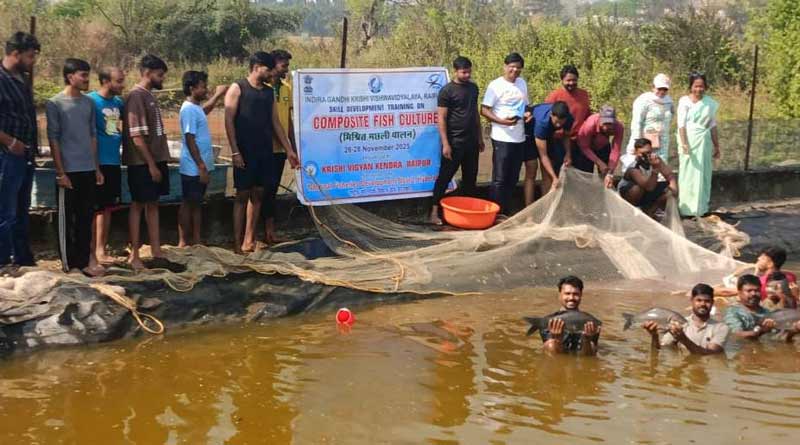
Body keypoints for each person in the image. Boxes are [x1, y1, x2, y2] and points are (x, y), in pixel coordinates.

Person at [225, 51, 295, 254]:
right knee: (242, 195)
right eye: (268, 68)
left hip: (264, 151)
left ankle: (249, 240)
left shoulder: (267, 92)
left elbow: (276, 123)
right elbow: (229, 120)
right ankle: (237, 245)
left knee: (258, 194)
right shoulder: (237, 88)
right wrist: (235, 151)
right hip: (245, 151)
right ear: (257, 67)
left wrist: (289, 150)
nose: (271, 72)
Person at [46, 58, 104, 276]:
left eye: (87, 75)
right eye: (83, 75)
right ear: (70, 77)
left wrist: (96, 168)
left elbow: (92, 136)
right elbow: (54, 139)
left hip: (87, 169)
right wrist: (61, 172)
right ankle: (69, 265)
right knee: (66, 219)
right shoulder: (55, 104)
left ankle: (84, 262)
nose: (87, 79)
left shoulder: (89, 103)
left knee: (85, 217)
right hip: (68, 171)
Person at [122, 55, 170, 270]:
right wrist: (150, 164)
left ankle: (156, 249)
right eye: (160, 75)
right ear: (148, 73)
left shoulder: (149, 95)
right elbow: (137, 137)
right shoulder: (136, 96)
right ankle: (135, 255)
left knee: (153, 203)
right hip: (142, 162)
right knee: (138, 205)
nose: (162, 79)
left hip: (156, 159)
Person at [251, 49, 300, 245]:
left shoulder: (286, 88)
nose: (286, 70)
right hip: (262, 148)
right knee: (257, 192)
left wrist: (292, 147)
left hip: (280, 150)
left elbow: (287, 120)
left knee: (271, 192)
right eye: (283, 66)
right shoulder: (260, 89)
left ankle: (270, 233)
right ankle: (252, 234)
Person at [0, 32, 39, 270]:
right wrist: (9, 141)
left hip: (25, 154)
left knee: (21, 210)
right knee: (5, 211)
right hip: (6, 155)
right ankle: (3, 262)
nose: (33, 61)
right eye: (30, 56)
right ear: (15, 54)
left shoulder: (22, 80)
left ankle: (23, 260)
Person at [429, 56, 484, 225]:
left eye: (469, 71)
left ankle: (467, 214)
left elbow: (475, 113)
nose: (467, 75)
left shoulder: (473, 88)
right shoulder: (447, 91)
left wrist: (480, 137)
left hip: (471, 142)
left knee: (470, 178)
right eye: (464, 72)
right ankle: (433, 212)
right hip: (454, 142)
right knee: (444, 177)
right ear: (455, 71)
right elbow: (441, 118)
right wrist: (445, 143)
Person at [177, 70, 227, 247]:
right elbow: (190, 139)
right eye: (203, 87)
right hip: (193, 167)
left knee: (197, 202)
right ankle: (183, 241)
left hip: (199, 165)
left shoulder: (195, 108)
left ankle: (196, 239)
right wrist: (201, 166)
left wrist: (218, 95)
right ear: (192, 88)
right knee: (188, 202)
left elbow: (204, 110)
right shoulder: (188, 110)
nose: (205, 90)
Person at [481, 53, 529, 215]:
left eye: (518, 68)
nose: (515, 70)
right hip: (502, 136)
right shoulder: (496, 85)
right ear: (505, 67)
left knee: (513, 177)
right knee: (499, 178)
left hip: (519, 136)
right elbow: (484, 110)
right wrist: (501, 121)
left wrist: (527, 114)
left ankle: (506, 211)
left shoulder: (522, 83)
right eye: (512, 67)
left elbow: (525, 106)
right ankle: (494, 212)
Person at [88, 67, 125, 265]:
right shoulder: (91, 101)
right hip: (99, 161)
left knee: (109, 207)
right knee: (97, 209)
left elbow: (116, 127)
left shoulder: (118, 103)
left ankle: (103, 248)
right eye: (118, 81)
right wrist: (95, 167)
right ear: (105, 81)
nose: (122, 85)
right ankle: (93, 250)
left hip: (114, 161)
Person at [539, 64, 591, 202]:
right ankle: (556, 205)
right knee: (558, 174)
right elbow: (547, 118)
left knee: (581, 174)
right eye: (568, 80)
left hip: (579, 140)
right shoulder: (555, 96)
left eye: (574, 80)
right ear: (562, 80)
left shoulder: (584, 95)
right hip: (558, 140)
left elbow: (587, 115)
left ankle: (579, 205)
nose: (571, 83)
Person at [677, 72, 720, 217]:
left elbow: (712, 125)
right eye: (696, 86)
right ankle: (686, 208)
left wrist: (717, 145)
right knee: (688, 173)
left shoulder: (710, 103)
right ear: (691, 87)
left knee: (703, 173)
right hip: (689, 140)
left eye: (701, 86)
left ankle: (701, 207)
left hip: (704, 141)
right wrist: (684, 143)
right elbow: (681, 124)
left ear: (705, 87)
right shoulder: (684, 101)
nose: (699, 89)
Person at [643, 283, 729, 355]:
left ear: (712, 303)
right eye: (698, 300)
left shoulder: (721, 328)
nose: (703, 304)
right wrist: (654, 336)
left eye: (707, 301)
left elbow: (711, 354)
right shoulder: (679, 323)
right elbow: (661, 350)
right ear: (691, 301)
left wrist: (683, 339)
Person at [622, 74, 674, 170]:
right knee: (643, 167)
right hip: (646, 140)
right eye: (659, 88)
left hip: (662, 141)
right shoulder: (644, 100)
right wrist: (637, 143)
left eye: (665, 89)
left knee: (661, 168)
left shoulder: (669, 101)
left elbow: (671, 116)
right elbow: (637, 122)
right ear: (653, 87)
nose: (662, 92)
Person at [618, 138, 678, 217]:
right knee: (638, 189)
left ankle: (651, 209)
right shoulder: (633, 168)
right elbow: (649, 187)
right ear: (636, 152)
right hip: (629, 193)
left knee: (670, 188)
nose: (645, 156)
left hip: (647, 189)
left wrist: (674, 189)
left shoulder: (655, 159)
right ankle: (633, 209)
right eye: (642, 153)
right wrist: (655, 169)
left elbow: (669, 175)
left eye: (648, 152)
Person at [541, 275, 600, 355]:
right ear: (560, 295)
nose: (571, 297)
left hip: (581, 353)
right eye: (567, 293)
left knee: (592, 346)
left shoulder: (590, 321)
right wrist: (557, 340)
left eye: (575, 294)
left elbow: (590, 356)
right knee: (550, 345)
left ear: (581, 295)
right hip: (560, 351)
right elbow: (553, 353)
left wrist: (587, 340)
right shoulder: (549, 321)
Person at [526, 101, 573, 199]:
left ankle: (545, 207)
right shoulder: (542, 123)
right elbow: (543, 155)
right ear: (551, 115)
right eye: (556, 122)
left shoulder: (569, 118)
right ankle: (528, 208)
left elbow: (566, 135)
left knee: (547, 173)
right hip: (529, 134)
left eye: (561, 122)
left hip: (548, 135)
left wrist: (568, 154)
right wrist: (555, 177)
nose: (558, 125)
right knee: (532, 169)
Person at [575, 105, 624, 188]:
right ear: (600, 120)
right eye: (605, 123)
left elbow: (616, 149)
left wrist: (610, 171)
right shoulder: (589, 125)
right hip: (586, 148)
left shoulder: (618, 127)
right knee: (585, 176)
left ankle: (603, 193)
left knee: (606, 173)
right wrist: (599, 162)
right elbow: (584, 146)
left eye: (610, 124)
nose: (607, 127)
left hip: (603, 146)